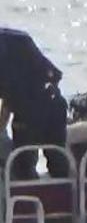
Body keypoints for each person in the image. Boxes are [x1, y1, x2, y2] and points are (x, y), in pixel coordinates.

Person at [0, 29, 68, 179]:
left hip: (31, 109)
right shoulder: (18, 38)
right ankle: (66, 196)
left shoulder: (8, 47)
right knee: (58, 162)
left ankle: (27, 199)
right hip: (54, 102)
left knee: (22, 165)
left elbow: (7, 102)